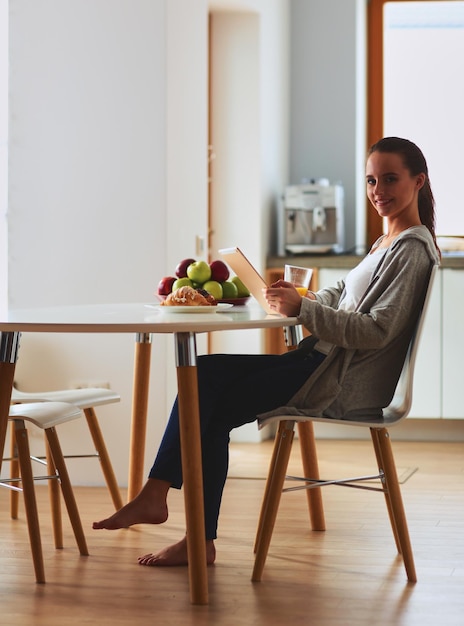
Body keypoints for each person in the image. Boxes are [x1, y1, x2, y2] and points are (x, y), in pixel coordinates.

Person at [93, 137, 441, 567]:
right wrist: (302, 297)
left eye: (390, 179)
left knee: (206, 395)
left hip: (336, 381)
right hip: (318, 362)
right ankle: (170, 511)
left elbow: (376, 330)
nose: (378, 190)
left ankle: (171, 510)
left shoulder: (412, 248)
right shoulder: (385, 242)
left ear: (418, 181)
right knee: (202, 375)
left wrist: (306, 310)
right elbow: (343, 293)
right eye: (371, 180)